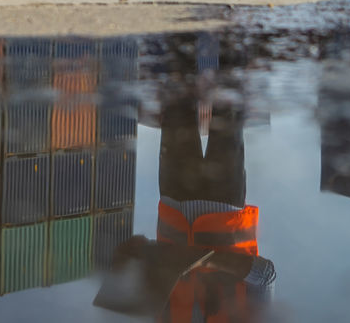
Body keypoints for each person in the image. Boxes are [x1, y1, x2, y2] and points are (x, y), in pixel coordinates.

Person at [94, 34, 276, 321]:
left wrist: (132, 257)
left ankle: (181, 24)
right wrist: (204, 259)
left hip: (173, 203)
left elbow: (133, 254)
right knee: (228, 107)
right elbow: (265, 274)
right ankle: (229, 21)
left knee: (176, 101)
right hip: (225, 206)